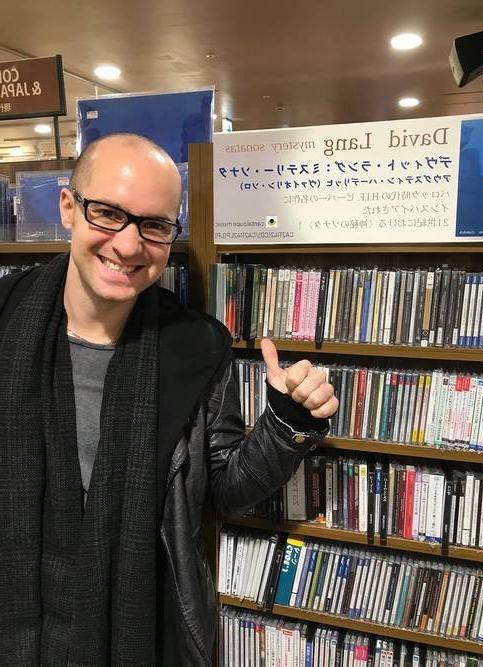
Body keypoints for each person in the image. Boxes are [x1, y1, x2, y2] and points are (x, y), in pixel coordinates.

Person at [0, 133, 338, 666]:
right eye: (108, 213)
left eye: (154, 225)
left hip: (140, 632)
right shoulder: (6, 317)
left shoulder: (197, 347)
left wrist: (287, 422)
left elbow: (224, 491)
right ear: (69, 207)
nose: (129, 245)